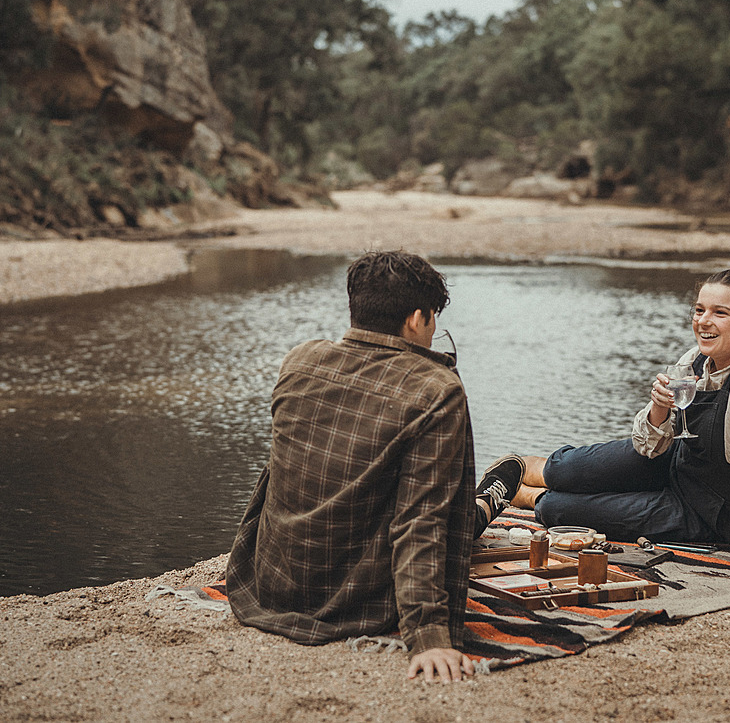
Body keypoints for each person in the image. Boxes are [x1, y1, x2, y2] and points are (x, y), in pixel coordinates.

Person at [225, 250, 525, 684]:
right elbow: (419, 521)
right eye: (433, 319)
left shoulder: (300, 360)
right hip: (354, 600)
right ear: (416, 320)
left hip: (271, 582)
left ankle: (486, 501)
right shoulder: (436, 390)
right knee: (459, 515)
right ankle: (486, 502)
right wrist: (428, 635)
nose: (434, 329)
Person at [509, 265, 730, 581]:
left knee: (557, 508)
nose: (703, 322)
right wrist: (658, 408)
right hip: (672, 465)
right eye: (699, 310)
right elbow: (648, 446)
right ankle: (525, 469)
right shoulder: (697, 359)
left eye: (720, 313)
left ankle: (526, 495)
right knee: (565, 470)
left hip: (707, 511)